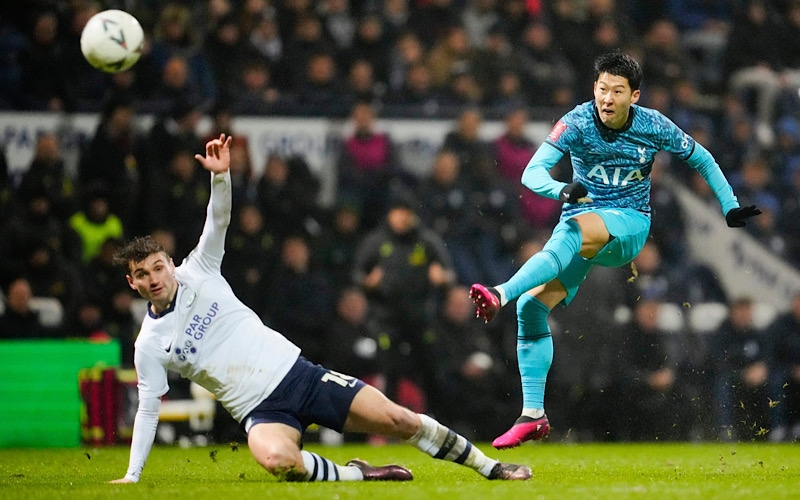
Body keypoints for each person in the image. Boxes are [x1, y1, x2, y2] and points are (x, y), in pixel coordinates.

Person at [109, 134, 530, 484]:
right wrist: (132, 475)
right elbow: (148, 408)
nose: (155, 278)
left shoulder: (198, 270)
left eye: (158, 266)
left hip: (301, 377)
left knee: (400, 419)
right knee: (278, 462)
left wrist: (221, 177)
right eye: (143, 274)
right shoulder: (150, 342)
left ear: (169, 263)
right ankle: (360, 475)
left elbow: (217, 221)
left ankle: (490, 467)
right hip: (259, 411)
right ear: (133, 283)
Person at [469, 51, 761, 449]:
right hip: (584, 231)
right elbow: (531, 172)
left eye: (617, 91)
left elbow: (702, 158)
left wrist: (729, 206)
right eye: (602, 89)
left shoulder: (653, 124)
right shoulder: (574, 122)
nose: (607, 98)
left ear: (634, 96)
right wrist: (561, 189)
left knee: (573, 228)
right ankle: (533, 415)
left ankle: (501, 292)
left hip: (628, 228)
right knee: (532, 309)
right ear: (594, 88)